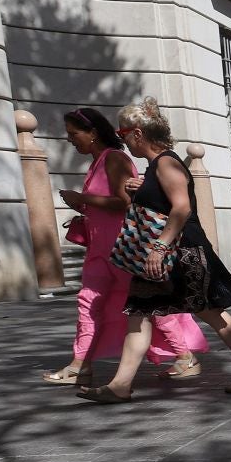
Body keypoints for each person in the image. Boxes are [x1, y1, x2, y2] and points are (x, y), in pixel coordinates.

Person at [77, 98, 231, 402]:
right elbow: (165, 203)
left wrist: (158, 247)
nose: (122, 139)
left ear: (138, 133)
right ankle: (120, 386)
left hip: (182, 252)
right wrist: (139, 190)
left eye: (123, 132)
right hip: (165, 257)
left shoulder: (166, 162)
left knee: (212, 313)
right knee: (139, 313)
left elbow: (181, 208)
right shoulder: (156, 166)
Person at [47, 107, 206, 385]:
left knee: (151, 302)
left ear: (93, 133)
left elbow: (124, 201)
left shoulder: (115, 158)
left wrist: (81, 197)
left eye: (74, 134)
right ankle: (79, 365)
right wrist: (84, 206)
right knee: (87, 302)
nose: (70, 140)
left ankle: (184, 355)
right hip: (100, 247)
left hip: (125, 246)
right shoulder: (96, 162)